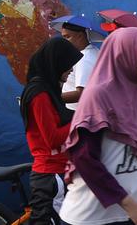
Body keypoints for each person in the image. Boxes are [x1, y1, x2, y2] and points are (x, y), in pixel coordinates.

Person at [59, 27, 137, 225]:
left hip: (131, 213)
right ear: (123, 56)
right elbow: (84, 159)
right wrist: (128, 203)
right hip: (93, 217)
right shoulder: (98, 96)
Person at [21, 37, 83, 223]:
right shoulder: (39, 94)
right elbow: (53, 138)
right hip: (50, 176)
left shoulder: (50, 89)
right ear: (56, 63)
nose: (71, 70)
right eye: (68, 65)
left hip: (62, 169)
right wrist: (80, 120)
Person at [58, 18, 101, 108]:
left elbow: (81, 93)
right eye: (63, 37)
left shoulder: (84, 58)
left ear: (80, 36)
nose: (64, 42)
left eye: (67, 37)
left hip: (75, 112)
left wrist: (52, 98)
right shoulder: (94, 51)